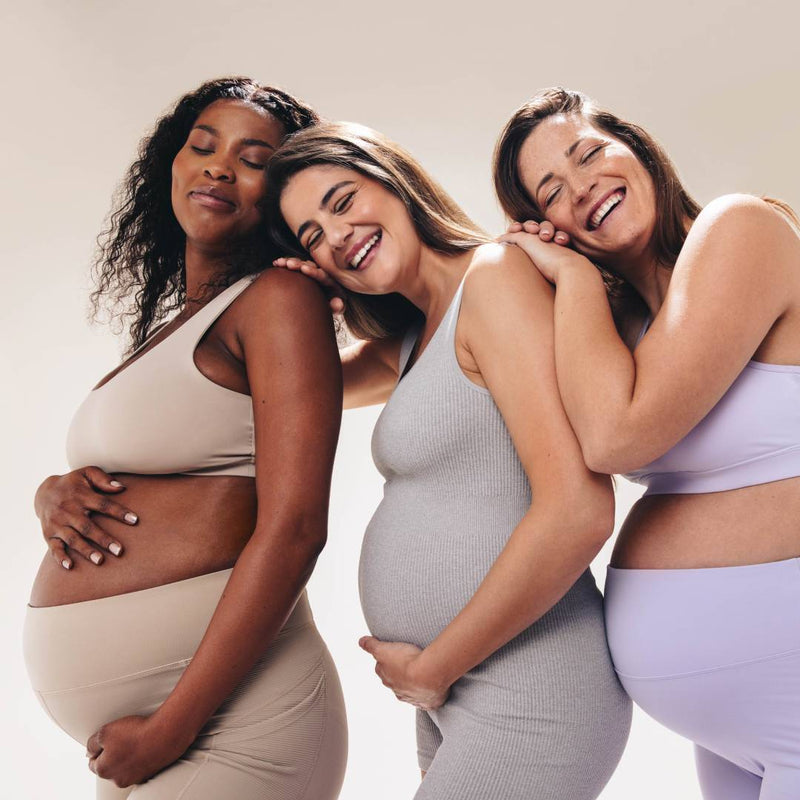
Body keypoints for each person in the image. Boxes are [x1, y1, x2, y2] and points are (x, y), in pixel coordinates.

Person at [266, 122, 631, 800]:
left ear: (395, 182)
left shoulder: (494, 279)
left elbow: (579, 510)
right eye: (313, 236)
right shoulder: (411, 337)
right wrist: (294, 303)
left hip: (530, 686)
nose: (337, 235)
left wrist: (436, 667)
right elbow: (282, 391)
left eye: (343, 202)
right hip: (454, 689)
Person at [24, 77, 347, 800]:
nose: (219, 167)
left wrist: (171, 729)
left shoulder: (278, 299)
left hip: (231, 725)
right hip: (149, 737)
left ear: (283, 192)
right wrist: (50, 494)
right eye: (203, 146)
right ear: (171, 163)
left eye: (252, 159)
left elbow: (296, 529)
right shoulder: (183, 325)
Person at [494, 87, 800, 800]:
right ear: (546, 225)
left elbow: (617, 439)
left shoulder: (742, 227)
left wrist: (572, 276)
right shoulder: (614, 326)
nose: (581, 188)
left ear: (636, 147)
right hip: (731, 725)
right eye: (552, 192)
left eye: (588, 154)